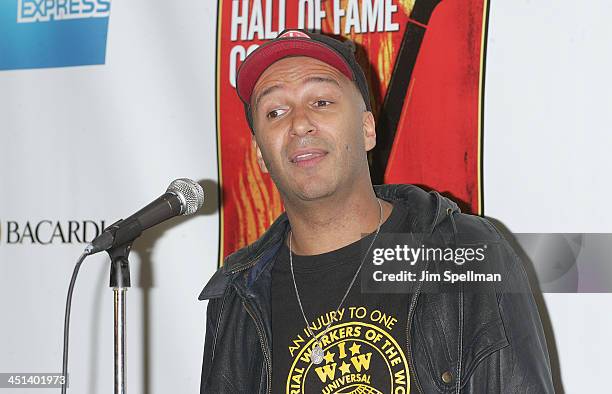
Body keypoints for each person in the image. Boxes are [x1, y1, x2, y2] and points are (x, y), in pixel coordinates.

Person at [198, 29, 554, 393]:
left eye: (321, 102)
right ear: (260, 153)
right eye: (275, 111)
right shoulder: (238, 297)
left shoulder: (461, 253)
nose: (298, 123)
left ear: (367, 128)